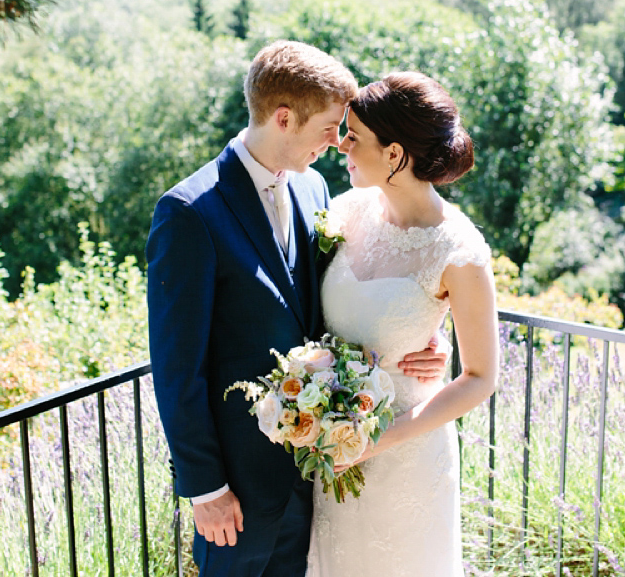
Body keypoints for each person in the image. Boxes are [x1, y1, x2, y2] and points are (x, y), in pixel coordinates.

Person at [146, 42, 449, 577]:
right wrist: (205, 487)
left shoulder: (315, 189)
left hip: (317, 472)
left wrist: (420, 338)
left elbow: (335, 298)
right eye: (332, 128)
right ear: (284, 118)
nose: (338, 144)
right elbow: (175, 367)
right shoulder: (189, 213)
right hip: (236, 492)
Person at [306, 72, 498, 577]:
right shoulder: (345, 212)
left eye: (353, 136)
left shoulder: (458, 250)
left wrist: (377, 439)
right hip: (331, 446)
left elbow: (481, 378)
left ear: (394, 155)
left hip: (407, 455)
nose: (339, 144)